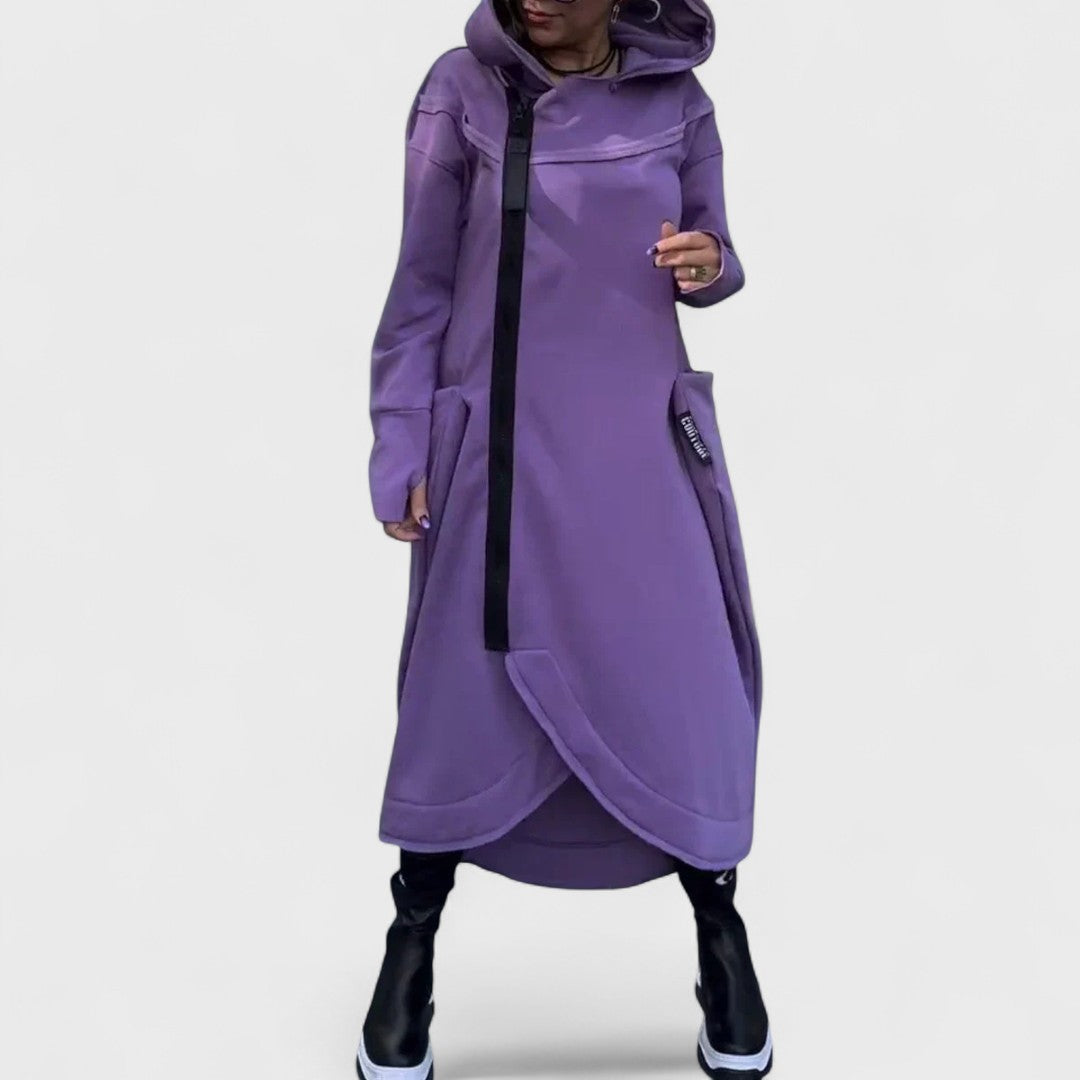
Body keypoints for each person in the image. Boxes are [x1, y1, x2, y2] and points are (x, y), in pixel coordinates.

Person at [358, 2, 772, 1078]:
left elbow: (717, 253)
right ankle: (411, 947)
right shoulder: (461, 91)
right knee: (460, 692)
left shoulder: (678, 102)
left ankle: (720, 933)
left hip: (637, 455)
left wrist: (710, 262)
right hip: (497, 459)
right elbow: (420, 287)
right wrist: (401, 437)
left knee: (685, 688)